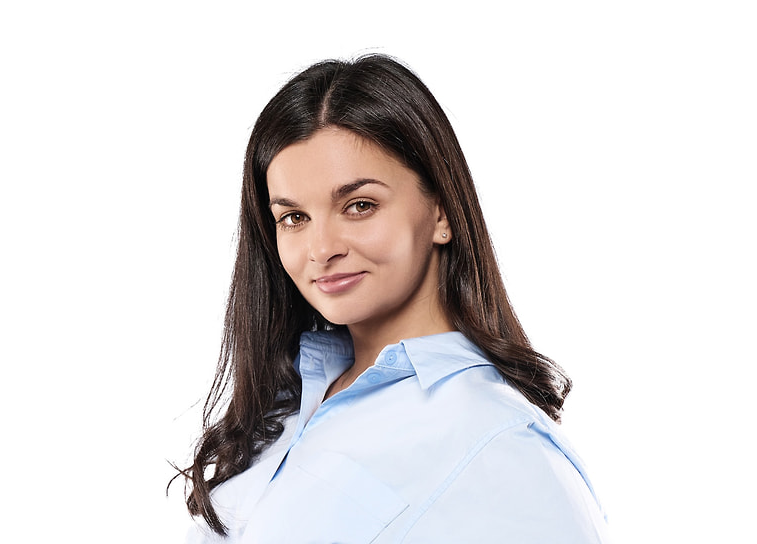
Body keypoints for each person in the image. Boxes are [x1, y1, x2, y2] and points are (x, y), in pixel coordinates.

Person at [173, 54, 610, 543]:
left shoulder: (503, 446)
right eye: (294, 218)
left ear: (441, 212)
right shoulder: (286, 405)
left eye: (359, 206)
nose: (321, 249)